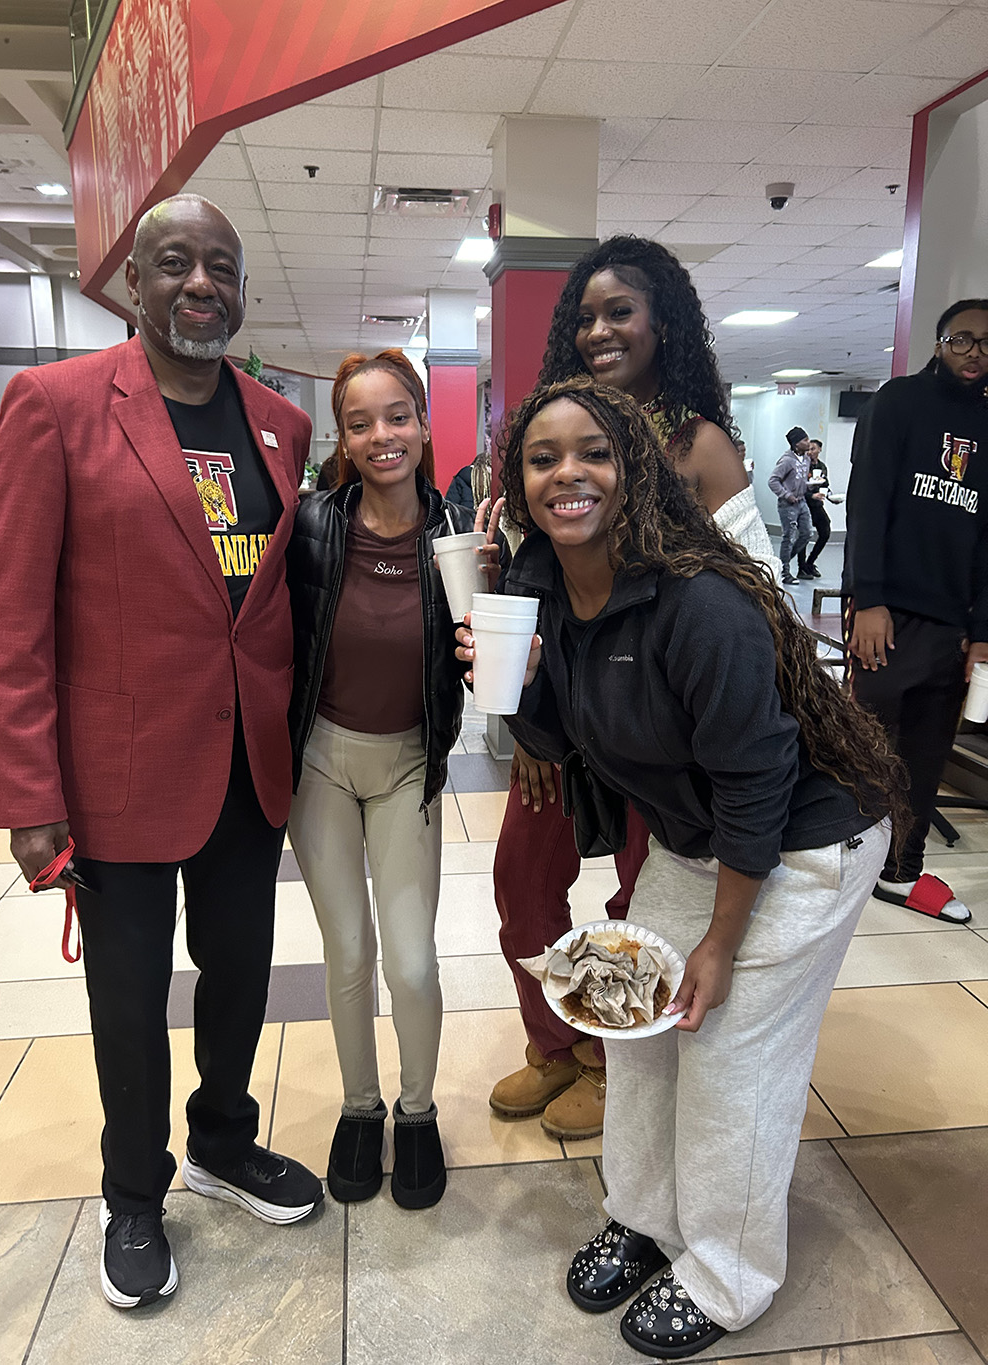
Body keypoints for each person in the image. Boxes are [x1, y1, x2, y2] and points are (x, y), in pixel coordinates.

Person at [458, 376, 903, 1360]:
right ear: (518, 481)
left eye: (593, 452)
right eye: (542, 457)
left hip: (801, 841)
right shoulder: (534, 584)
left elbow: (759, 783)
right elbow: (554, 738)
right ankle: (649, 1218)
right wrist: (513, 691)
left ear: (635, 472)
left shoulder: (700, 606)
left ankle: (726, 1273)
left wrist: (720, 941)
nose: (566, 472)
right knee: (637, 1026)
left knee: (727, 1057)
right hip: (694, 836)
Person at [0, 194, 323, 1310]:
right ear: (135, 285)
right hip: (115, 773)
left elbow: (273, 604)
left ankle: (224, 1136)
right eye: (175, 263)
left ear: (242, 290)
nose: (200, 283)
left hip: (244, 767)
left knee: (241, 975)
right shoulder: (56, 405)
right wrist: (29, 793)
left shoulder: (280, 422)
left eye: (221, 265)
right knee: (127, 999)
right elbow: (7, 614)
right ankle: (135, 1193)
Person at [489, 235, 779, 1143]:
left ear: (665, 323)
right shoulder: (550, 433)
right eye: (585, 316)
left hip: (660, 731)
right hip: (568, 718)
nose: (601, 330)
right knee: (521, 883)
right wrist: (536, 730)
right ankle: (555, 1045)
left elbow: (756, 593)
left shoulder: (699, 446)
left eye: (622, 311)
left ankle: (621, 1060)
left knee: (637, 903)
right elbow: (530, 591)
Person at [286, 349, 504, 1209]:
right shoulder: (310, 526)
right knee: (349, 953)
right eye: (360, 421)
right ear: (343, 436)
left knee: (411, 963)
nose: (382, 435)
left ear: (423, 423)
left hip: (410, 762)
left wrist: (485, 635)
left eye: (398, 416)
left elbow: (490, 676)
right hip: (320, 767)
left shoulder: (461, 541)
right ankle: (361, 1105)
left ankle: (417, 1109)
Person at [843, 298, 988, 924]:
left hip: (955, 622)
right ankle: (841, 859)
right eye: (963, 339)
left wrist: (981, 633)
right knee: (866, 747)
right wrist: (868, 600)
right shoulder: (897, 403)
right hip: (891, 614)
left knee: (927, 755)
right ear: (939, 344)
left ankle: (900, 872)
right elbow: (867, 504)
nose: (976, 351)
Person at [768, 426, 813, 584]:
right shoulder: (787, 460)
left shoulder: (806, 459)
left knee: (807, 533)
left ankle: (781, 563)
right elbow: (773, 481)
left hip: (802, 501)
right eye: (805, 440)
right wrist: (786, 495)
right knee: (789, 537)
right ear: (796, 444)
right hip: (788, 505)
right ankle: (785, 573)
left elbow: (801, 480)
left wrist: (810, 486)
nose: (808, 443)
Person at [798, 438, 831, 579]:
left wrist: (829, 496)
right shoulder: (802, 466)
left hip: (817, 506)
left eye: (813, 449)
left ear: (819, 450)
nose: (810, 452)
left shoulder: (822, 467)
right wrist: (812, 495)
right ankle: (801, 568)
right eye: (808, 449)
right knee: (804, 536)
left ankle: (810, 563)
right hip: (804, 504)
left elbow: (825, 484)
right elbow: (798, 488)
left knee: (825, 532)